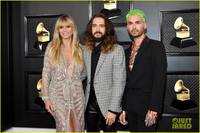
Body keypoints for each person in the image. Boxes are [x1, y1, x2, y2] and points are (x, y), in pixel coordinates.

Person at [119, 9, 167, 131]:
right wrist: (123, 108)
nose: (134, 26)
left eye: (137, 22)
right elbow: (125, 83)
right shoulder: (125, 52)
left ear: (145, 25)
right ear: (127, 27)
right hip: (130, 108)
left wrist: (154, 108)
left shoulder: (156, 47)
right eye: (130, 23)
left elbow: (159, 79)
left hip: (148, 108)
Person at [82, 13, 126, 132]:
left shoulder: (117, 50)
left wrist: (113, 109)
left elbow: (119, 82)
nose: (97, 29)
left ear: (107, 29)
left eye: (101, 26)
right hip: (89, 103)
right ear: (90, 29)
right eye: (94, 26)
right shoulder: (85, 49)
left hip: (108, 104)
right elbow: (83, 74)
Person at [41, 15, 85, 132]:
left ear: (73, 28)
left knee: (77, 128)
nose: (64, 30)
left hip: (77, 96)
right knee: (65, 127)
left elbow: (84, 73)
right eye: (61, 27)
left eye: (68, 27)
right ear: (57, 30)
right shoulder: (52, 47)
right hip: (58, 95)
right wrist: (46, 98)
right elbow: (46, 73)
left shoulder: (80, 49)